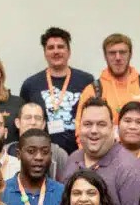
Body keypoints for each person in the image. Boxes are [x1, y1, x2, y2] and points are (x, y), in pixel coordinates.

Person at [59, 97, 140, 205]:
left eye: (101, 124)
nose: (94, 130)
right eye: (88, 124)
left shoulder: (131, 169)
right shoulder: (72, 159)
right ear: (79, 127)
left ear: (113, 128)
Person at [75, 33, 140, 143]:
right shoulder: (93, 90)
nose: (118, 57)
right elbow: (82, 132)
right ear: (105, 56)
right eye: (112, 53)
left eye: (122, 52)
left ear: (130, 55)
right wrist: (92, 158)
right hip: (104, 156)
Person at [19, 27, 95, 155]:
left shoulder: (86, 81)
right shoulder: (30, 84)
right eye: (51, 48)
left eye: (60, 47)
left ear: (69, 51)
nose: (56, 51)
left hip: (81, 153)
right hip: (41, 155)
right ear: (45, 53)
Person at [1, 129, 64, 205]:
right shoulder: (2, 191)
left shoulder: (63, 192)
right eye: (31, 151)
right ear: (18, 154)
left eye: (45, 152)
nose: (38, 157)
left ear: (51, 155)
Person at [4, 102, 69, 178]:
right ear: (17, 123)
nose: (33, 122)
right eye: (28, 118)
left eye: (38, 118)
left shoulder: (58, 155)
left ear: (44, 124)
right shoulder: (5, 151)